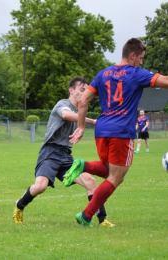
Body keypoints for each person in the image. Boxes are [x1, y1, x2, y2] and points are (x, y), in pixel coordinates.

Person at [63, 38, 168, 227]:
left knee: (108, 171)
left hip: (102, 130)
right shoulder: (136, 73)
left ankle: (83, 166)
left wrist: (80, 127)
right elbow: (165, 81)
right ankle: (86, 215)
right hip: (121, 131)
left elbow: (83, 101)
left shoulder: (103, 74)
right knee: (116, 177)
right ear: (133, 55)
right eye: (141, 58)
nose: (141, 62)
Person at [13, 76, 115, 227]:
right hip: (50, 152)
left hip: (66, 156)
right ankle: (19, 206)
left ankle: (102, 220)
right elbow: (66, 115)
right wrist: (92, 121)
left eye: (86, 91)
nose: (84, 93)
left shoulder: (80, 110)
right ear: (71, 90)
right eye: (81, 90)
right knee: (40, 186)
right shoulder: (63, 104)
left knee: (90, 181)